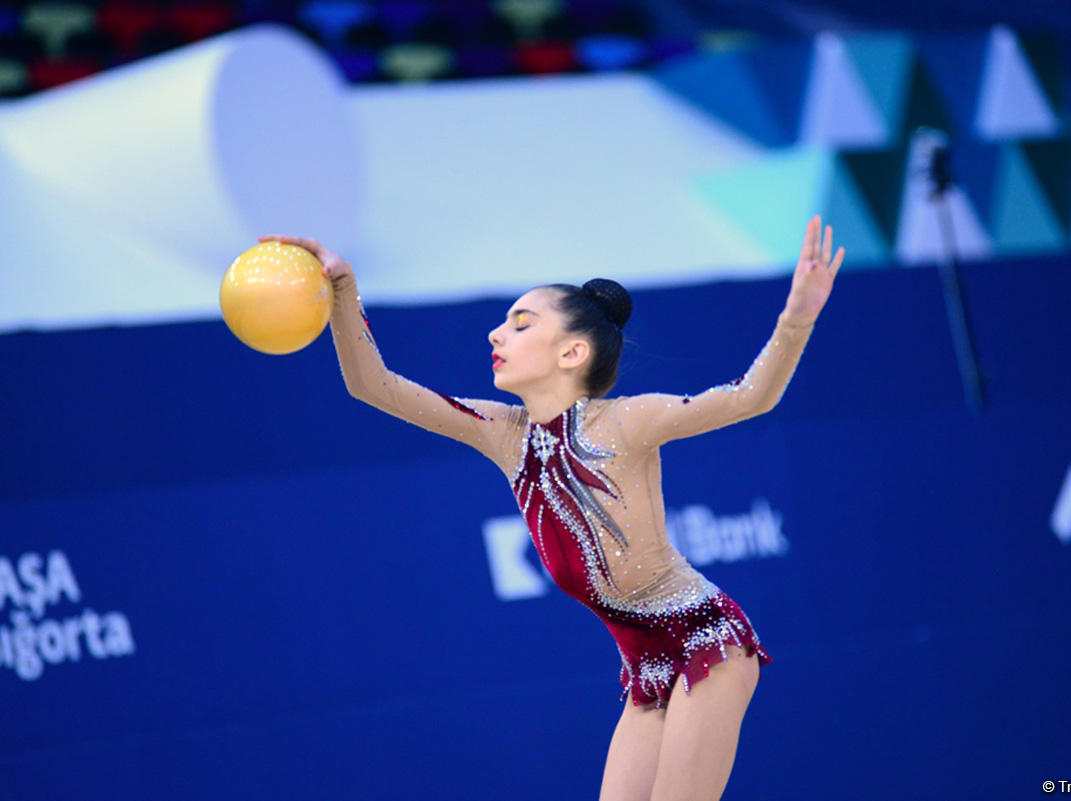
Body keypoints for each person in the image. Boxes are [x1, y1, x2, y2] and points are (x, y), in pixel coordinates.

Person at [257, 214, 844, 801]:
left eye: (520, 323)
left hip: (704, 640)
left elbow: (750, 397)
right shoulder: (501, 432)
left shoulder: (628, 421)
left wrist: (797, 319)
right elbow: (373, 385)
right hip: (645, 665)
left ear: (572, 351)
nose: (495, 334)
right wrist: (341, 290)